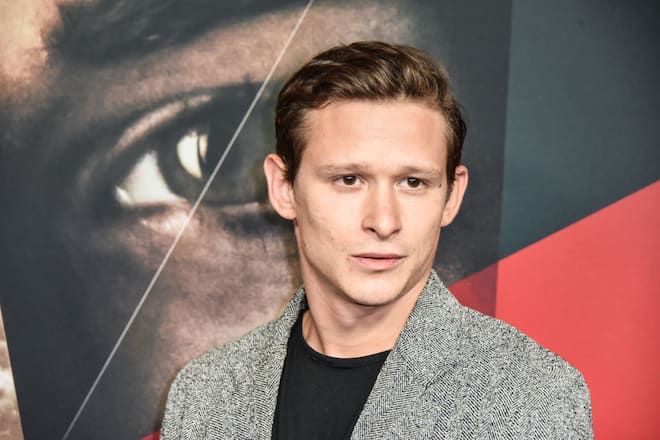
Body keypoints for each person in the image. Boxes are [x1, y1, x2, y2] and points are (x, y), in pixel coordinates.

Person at [160, 41, 593, 439]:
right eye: (349, 179)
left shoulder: (532, 399)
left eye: (413, 182)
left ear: (451, 196)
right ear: (284, 188)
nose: (383, 222)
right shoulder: (202, 394)